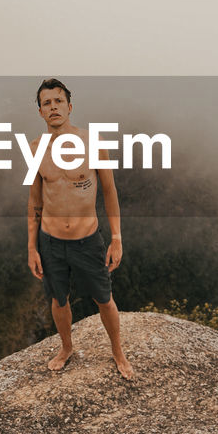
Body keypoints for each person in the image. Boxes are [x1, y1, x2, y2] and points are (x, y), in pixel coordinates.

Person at [26, 78, 134, 380]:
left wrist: (116, 238)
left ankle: (117, 351)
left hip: (88, 240)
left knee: (104, 298)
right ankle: (67, 347)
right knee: (58, 299)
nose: (53, 107)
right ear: (40, 112)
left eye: (58, 101)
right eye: (46, 103)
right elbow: (34, 199)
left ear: (69, 106)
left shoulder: (93, 143)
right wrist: (32, 248)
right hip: (50, 242)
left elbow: (110, 192)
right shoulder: (36, 149)